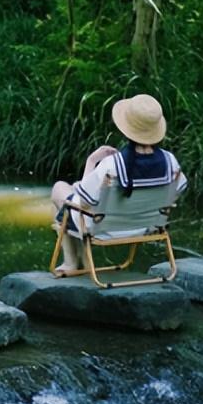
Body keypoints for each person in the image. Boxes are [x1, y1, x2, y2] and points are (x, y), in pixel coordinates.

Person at [49, 93, 187, 276]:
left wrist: (91, 162)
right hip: (146, 227)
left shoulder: (111, 165)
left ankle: (71, 263)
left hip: (103, 229)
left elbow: (82, 203)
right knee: (76, 190)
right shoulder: (171, 162)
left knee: (60, 188)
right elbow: (177, 191)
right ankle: (81, 260)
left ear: (126, 129)